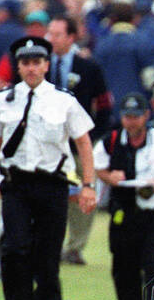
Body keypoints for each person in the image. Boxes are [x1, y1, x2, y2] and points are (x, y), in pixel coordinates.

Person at [0, 35, 98, 300]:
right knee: (15, 250)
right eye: (25, 63)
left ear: (46, 65)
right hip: (16, 185)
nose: (31, 68)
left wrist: (87, 185)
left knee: (47, 255)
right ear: (17, 67)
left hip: (53, 184)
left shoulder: (63, 100)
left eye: (36, 62)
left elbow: (83, 143)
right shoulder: (2, 101)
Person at [95, 93, 154, 300]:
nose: (132, 122)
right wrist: (110, 177)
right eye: (127, 117)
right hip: (124, 212)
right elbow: (98, 168)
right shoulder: (111, 141)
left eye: (136, 117)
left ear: (146, 116)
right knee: (123, 270)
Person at [46, 16, 113, 265]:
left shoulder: (88, 67)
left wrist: (95, 137)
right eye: (49, 34)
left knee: (83, 192)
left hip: (79, 144)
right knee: (50, 192)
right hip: (48, 144)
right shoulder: (39, 65)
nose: (50, 39)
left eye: (57, 34)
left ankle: (75, 247)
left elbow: (105, 105)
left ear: (71, 37)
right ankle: (47, 244)